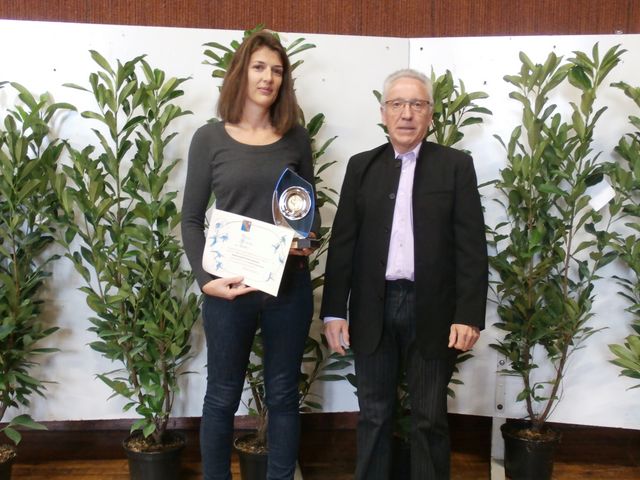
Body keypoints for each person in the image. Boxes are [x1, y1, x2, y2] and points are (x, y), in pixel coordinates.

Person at [321, 68, 488, 480]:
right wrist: (334, 311)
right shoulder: (362, 167)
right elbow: (343, 244)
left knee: (429, 418)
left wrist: (468, 315)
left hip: (433, 309)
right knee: (374, 415)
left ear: (430, 114)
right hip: (373, 307)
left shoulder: (455, 166)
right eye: (397, 104)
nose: (407, 113)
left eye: (417, 104)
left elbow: (471, 248)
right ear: (383, 112)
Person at [181, 30, 319, 480]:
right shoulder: (209, 138)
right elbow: (191, 219)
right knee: (221, 396)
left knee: (283, 396)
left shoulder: (296, 138)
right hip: (229, 289)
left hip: (288, 287)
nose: (268, 78)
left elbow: (305, 210)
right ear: (241, 72)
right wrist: (207, 282)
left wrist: (307, 238)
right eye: (259, 67)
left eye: (277, 71)